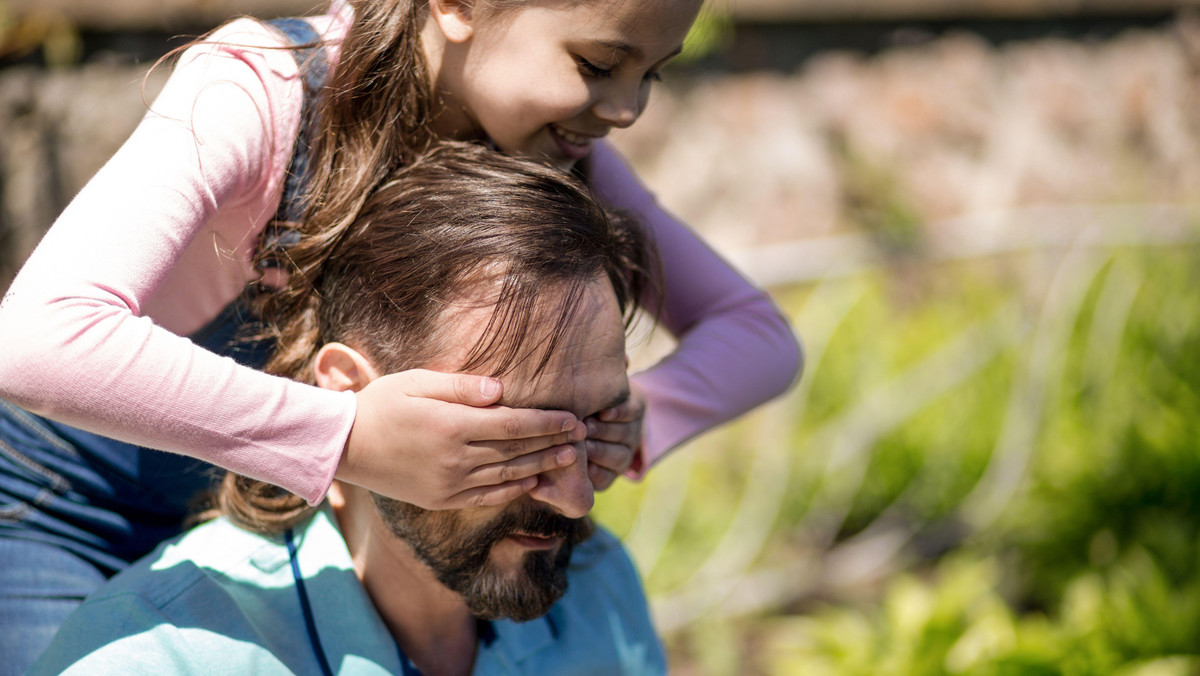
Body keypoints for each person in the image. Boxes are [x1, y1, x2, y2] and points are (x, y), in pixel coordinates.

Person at [0, 0, 801, 668]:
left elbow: (758, 335)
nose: (626, 109)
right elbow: (36, 337)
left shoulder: (554, 148)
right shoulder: (269, 91)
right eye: (597, 65)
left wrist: (618, 425)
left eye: (651, 73)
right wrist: (346, 434)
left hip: (274, 538)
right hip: (69, 519)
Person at [31, 142, 666, 675]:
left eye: (598, 426)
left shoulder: (600, 591)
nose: (577, 498)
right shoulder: (160, 656)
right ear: (344, 396)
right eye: (513, 440)